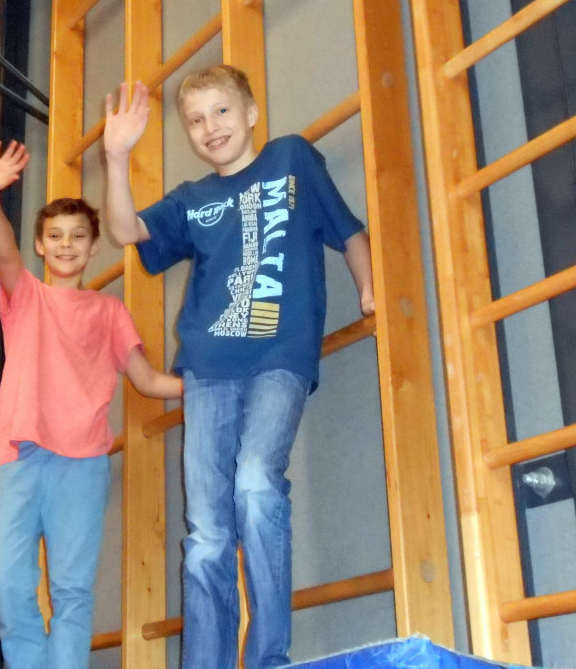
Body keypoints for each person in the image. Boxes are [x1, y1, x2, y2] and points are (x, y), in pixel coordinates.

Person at [102, 66, 375, 669]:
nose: (210, 128)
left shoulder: (291, 159)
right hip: (208, 369)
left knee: (255, 484)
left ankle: (268, 656)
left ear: (250, 112)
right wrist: (116, 158)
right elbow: (126, 230)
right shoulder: (192, 199)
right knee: (206, 536)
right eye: (196, 120)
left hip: (279, 356)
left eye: (222, 112)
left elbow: (349, 232)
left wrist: (368, 287)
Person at [0, 139, 182, 669]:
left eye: (78, 236)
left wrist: (202, 385)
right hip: (20, 458)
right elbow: (3, 250)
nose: (66, 245)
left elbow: (147, 380)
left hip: (83, 463)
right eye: (55, 236)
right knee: (5, 580)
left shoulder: (109, 312)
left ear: (93, 247)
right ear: (40, 245)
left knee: (71, 589)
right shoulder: (25, 295)